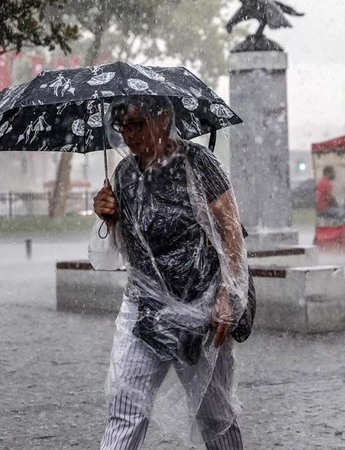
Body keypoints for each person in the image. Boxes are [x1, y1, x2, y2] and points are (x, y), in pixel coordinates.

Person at [90, 96, 249, 449]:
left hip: (200, 309)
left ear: (162, 118)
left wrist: (229, 294)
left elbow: (230, 231)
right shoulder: (124, 175)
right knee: (125, 407)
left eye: (136, 124)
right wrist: (109, 216)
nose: (128, 135)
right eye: (121, 126)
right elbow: (127, 248)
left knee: (216, 417)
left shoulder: (198, 164)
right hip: (144, 310)